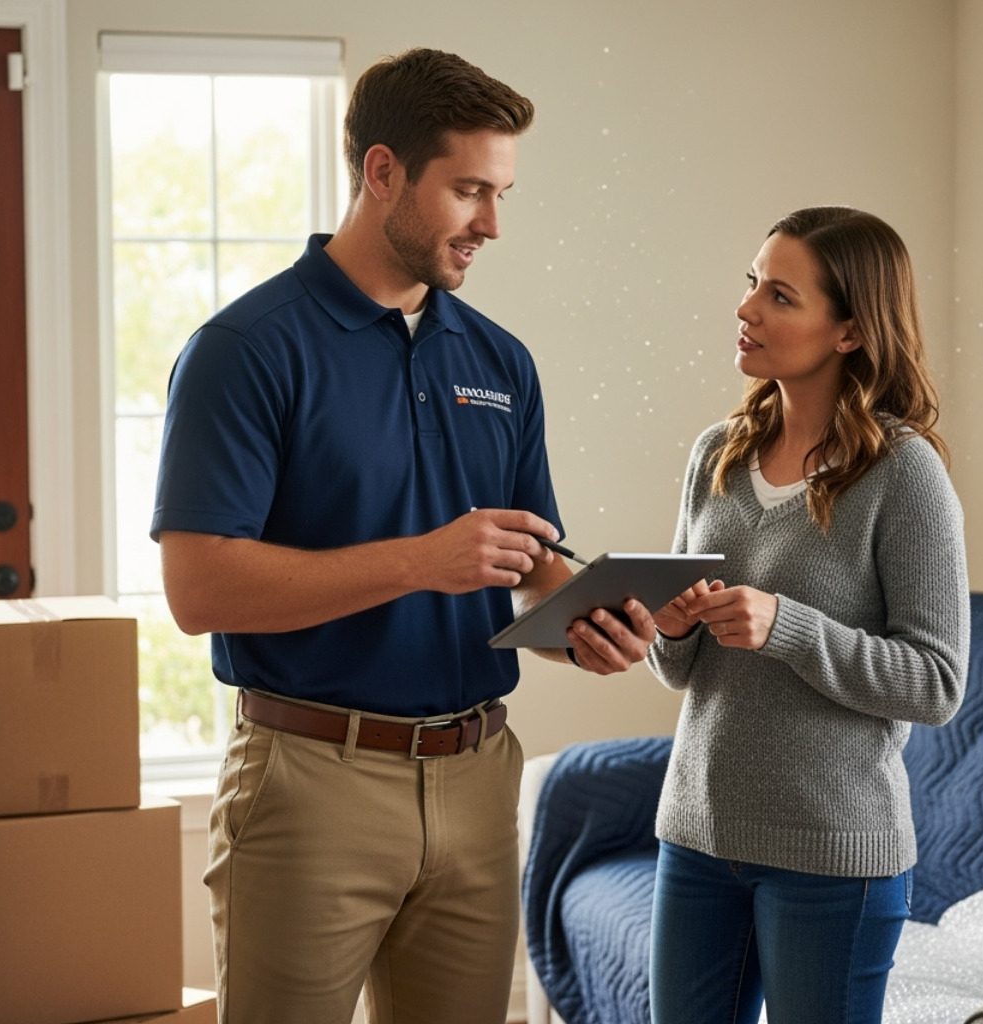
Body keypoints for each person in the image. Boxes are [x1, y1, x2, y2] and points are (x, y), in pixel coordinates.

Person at [152, 49, 655, 1024]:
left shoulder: (500, 359)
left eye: (502, 192)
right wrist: (424, 560)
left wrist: (585, 620)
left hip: (477, 781)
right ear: (382, 171)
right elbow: (198, 590)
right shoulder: (245, 352)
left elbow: (524, 559)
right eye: (469, 190)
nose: (493, 224)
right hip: (308, 784)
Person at [645, 207, 971, 1024]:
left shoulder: (905, 474)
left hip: (832, 856)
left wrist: (786, 626)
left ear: (850, 332)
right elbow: (677, 670)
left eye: (780, 295)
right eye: (752, 283)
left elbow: (936, 684)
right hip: (696, 834)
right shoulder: (713, 453)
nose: (748, 308)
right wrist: (673, 623)